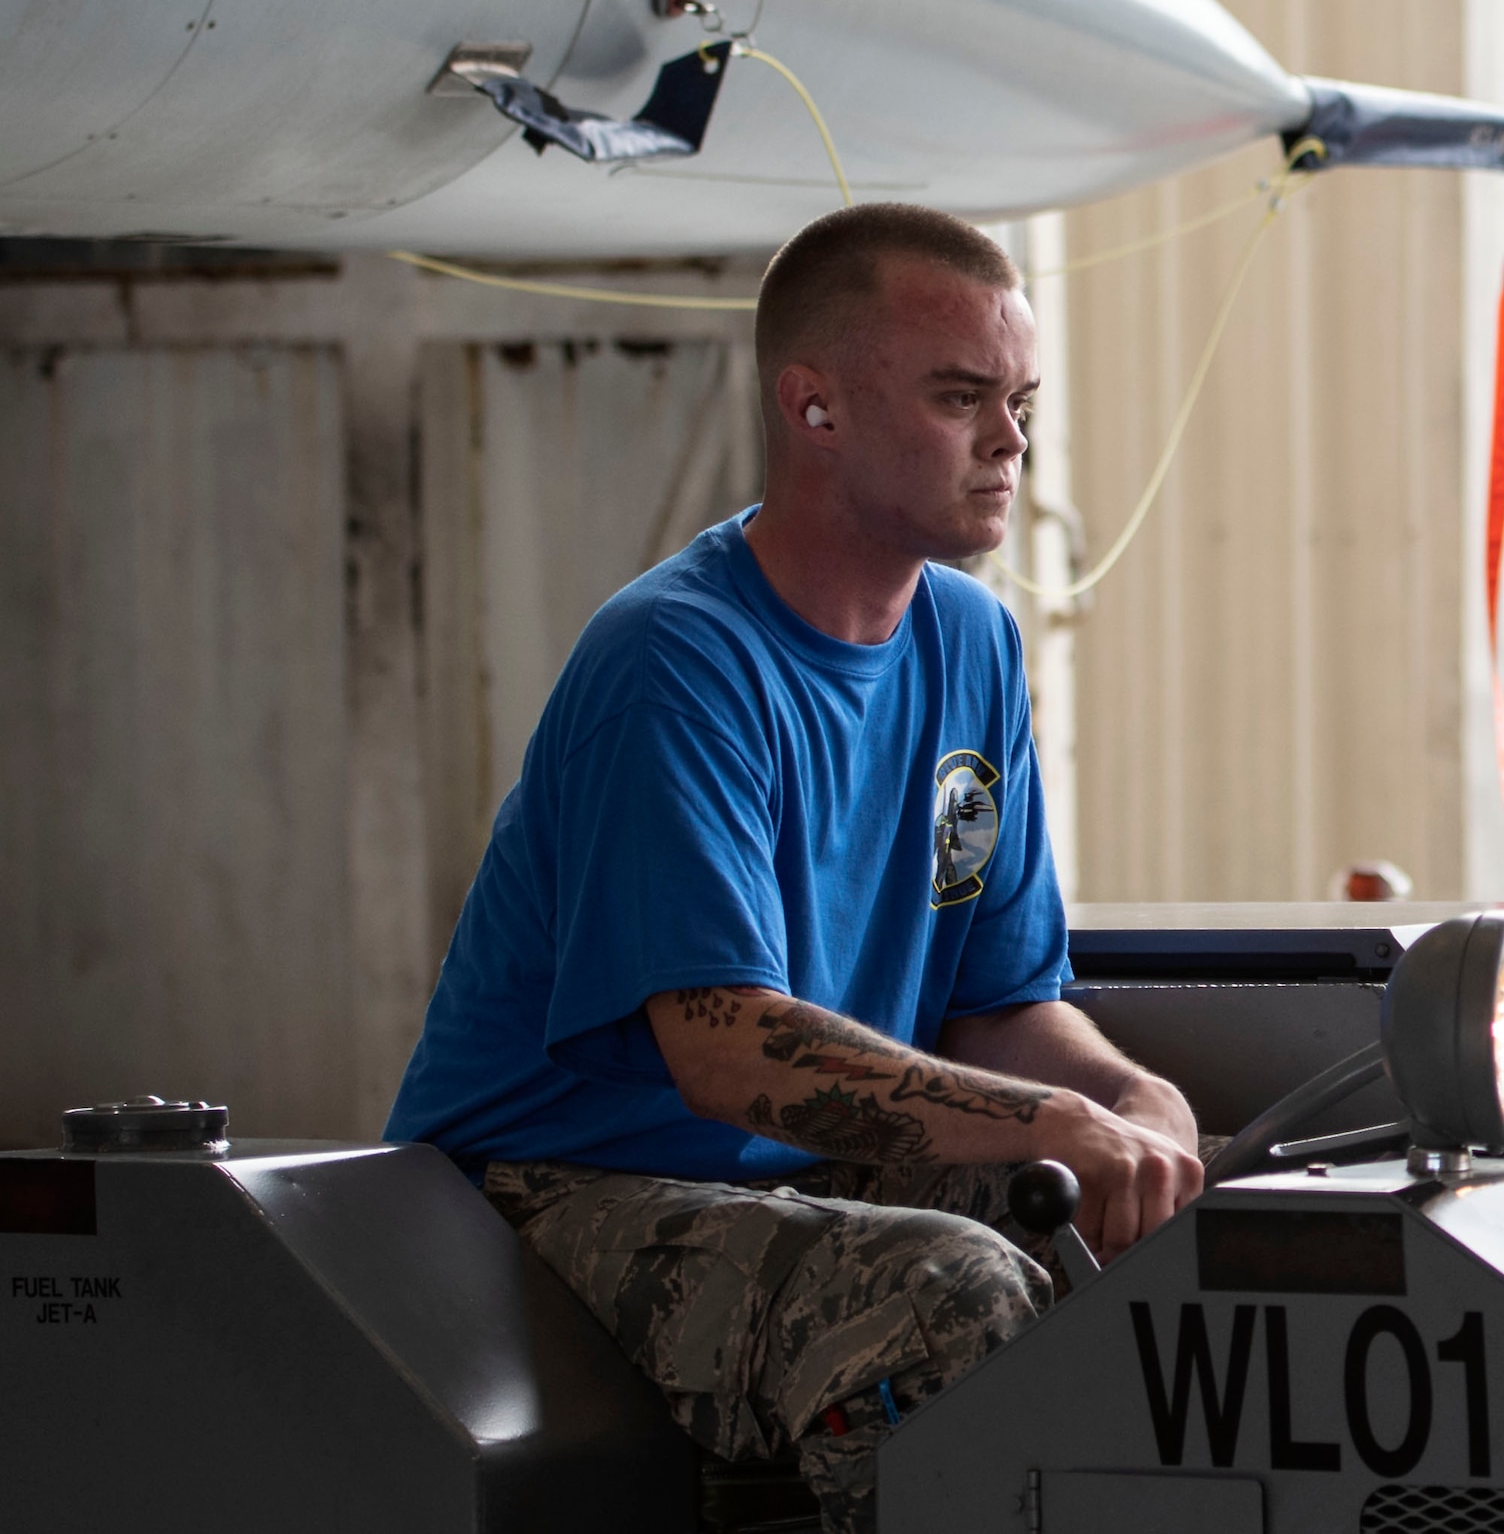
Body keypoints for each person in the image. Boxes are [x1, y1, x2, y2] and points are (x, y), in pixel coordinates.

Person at [385, 203, 1202, 1533]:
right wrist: (1043, 1124)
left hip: (784, 1179)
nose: (1011, 441)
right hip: (549, 1199)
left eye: (1022, 399)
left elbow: (997, 1001)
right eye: (962, 397)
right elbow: (728, 1047)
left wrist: (1124, 1099)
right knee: (947, 1292)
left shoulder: (972, 648)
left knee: (1114, 1215)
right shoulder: (679, 660)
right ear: (814, 408)